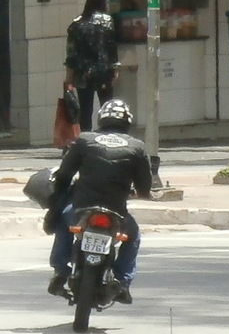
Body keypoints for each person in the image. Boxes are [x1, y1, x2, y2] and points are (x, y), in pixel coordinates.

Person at [46, 98, 154, 303]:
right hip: (117, 212)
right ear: (127, 122)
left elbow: (64, 175)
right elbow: (144, 187)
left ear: (101, 119)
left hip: (81, 208)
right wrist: (140, 192)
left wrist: (57, 196)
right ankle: (123, 281)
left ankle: (60, 271)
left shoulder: (84, 140)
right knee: (134, 237)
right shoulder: (137, 147)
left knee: (62, 221)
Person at [64, 0, 119, 131]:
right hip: (104, 71)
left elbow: (72, 53)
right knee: (107, 107)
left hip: (83, 72)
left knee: (85, 110)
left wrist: (69, 77)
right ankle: (109, 134)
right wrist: (115, 69)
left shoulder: (76, 24)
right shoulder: (107, 22)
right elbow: (111, 47)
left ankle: (86, 140)